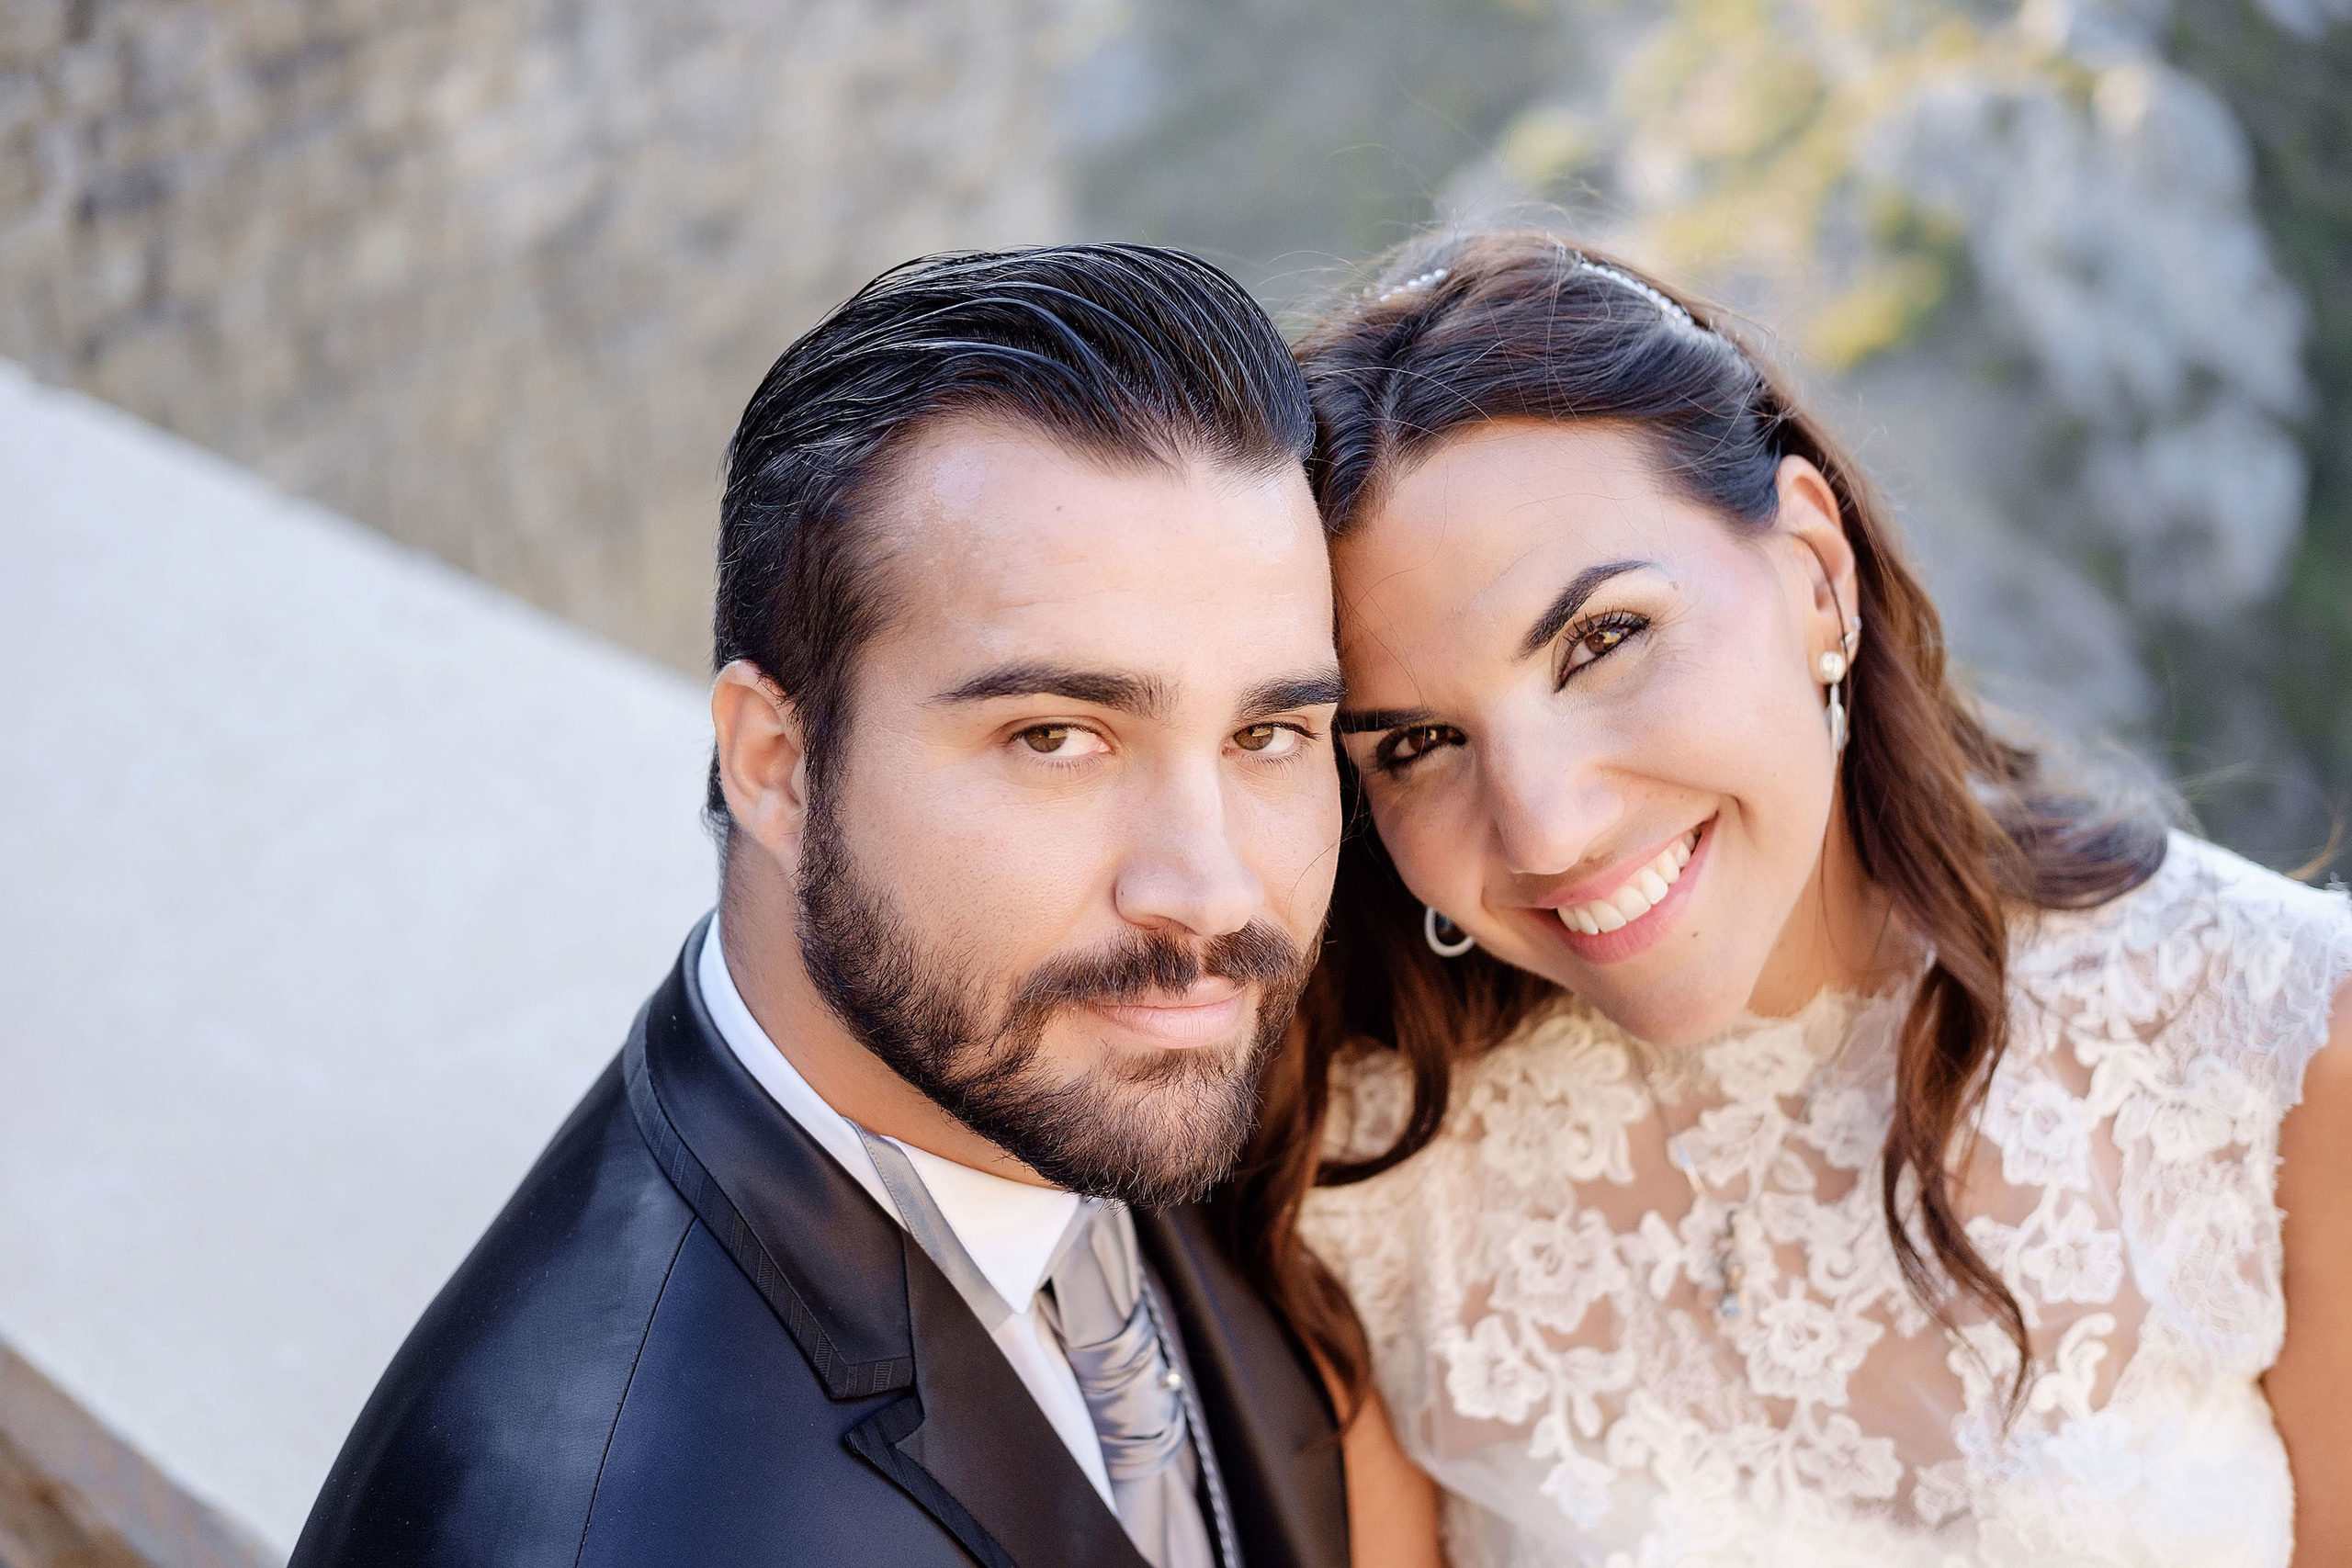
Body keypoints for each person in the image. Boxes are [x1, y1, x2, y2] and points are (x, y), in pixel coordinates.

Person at [1222, 230, 2352, 1567]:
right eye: (1415, 744)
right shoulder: (1362, 1165)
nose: (1545, 826)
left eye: (1603, 640)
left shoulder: (2283, 1047)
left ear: (1814, 572)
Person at [290, 244, 1352, 1568]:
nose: (1210, 887)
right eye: (1055, 738)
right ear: (775, 763)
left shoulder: (1095, 1061)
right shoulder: (608, 1529)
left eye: (1269, 736)